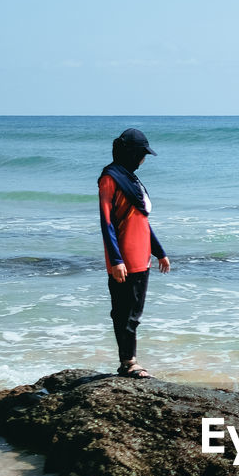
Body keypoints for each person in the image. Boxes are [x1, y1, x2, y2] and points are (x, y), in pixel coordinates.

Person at [98, 128, 171, 378]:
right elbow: (106, 222)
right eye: (142, 154)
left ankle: (129, 361)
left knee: (134, 314)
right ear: (131, 153)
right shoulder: (110, 179)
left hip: (142, 257)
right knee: (124, 313)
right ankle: (128, 363)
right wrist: (116, 260)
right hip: (124, 260)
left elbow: (142, 221)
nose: (143, 160)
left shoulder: (131, 179)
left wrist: (159, 252)